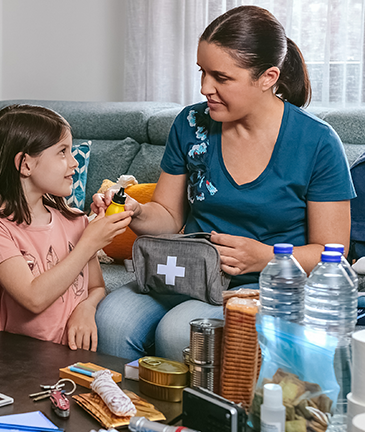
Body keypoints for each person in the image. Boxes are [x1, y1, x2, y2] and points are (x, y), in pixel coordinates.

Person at [92, 5, 355, 361]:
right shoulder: (191, 124)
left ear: (267, 77)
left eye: (221, 77)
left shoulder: (318, 142)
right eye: (202, 72)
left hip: (265, 286)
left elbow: (332, 253)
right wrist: (135, 211)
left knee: (180, 331)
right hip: (189, 272)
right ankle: (124, 415)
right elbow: (168, 216)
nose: (205, 88)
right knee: (111, 319)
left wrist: (264, 257)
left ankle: (197, 419)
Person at [0, 104, 132, 350]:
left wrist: (86, 308)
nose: (74, 163)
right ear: (25, 164)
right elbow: (33, 298)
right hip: (15, 361)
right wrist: (89, 241)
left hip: (72, 359)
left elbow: (97, 287)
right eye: (62, 152)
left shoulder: (76, 220)